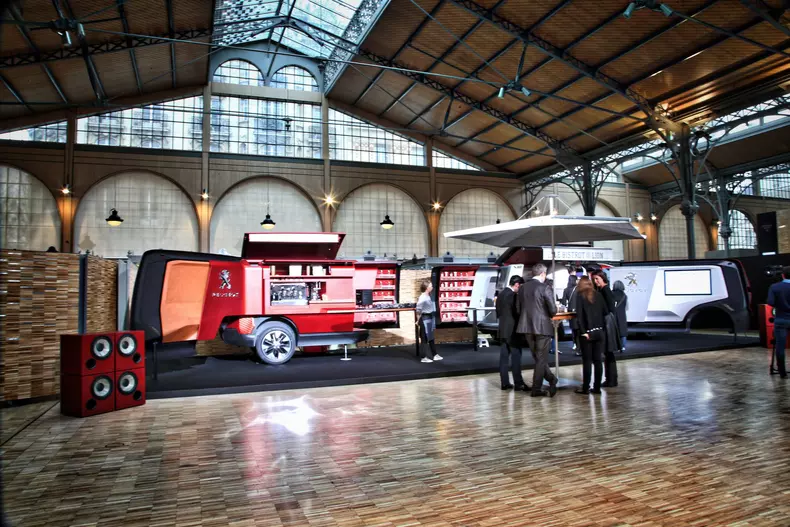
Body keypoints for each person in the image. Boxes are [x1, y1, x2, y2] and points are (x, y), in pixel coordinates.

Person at [516, 263, 558, 397]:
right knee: (540, 358)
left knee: (538, 357)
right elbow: (553, 310)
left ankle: (551, 379)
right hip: (542, 327)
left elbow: (518, 309)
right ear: (543, 274)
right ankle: (537, 388)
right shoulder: (545, 287)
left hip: (526, 326)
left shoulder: (522, 288)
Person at [575, 276, 607, 394]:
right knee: (598, 361)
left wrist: (583, 331)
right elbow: (605, 311)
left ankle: (585, 387)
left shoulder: (580, 296)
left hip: (587, 333)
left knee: (587, 361)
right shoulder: (598, 295)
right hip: (599, 331)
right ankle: (597, 387)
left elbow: (579, 316)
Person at [497, 275, 528, 391]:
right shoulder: (513, 296)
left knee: (504, 358)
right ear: (517, 285)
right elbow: (517, 312)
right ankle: (518, 383)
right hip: (512, 331)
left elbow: (498, 312)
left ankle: (504, 383)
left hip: (502, 329)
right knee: (516, 357)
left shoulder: (500, 294)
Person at [592, 270, 618, 387]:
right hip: (608, 321)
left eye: (597, 279)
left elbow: (610, 307)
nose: (595, 281)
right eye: (594, 279)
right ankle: (611, 378)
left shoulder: (605, 290)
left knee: (608, 351)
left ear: (603, 278)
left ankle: (611, 379)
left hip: (607, 322)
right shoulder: (603, 290)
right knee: (608, 352)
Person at [767, 266, 790, 378]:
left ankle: (782, 372)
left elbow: (770, 302)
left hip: (781, 319)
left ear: (782, 275)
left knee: (780, 347)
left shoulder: (775, 287)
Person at [416, 281, 443, 363]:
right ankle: (423, 357)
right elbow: (418, 310)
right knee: (424, 339)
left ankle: (435, 355)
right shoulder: (422, 297)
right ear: (427, 287)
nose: (432, 287)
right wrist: (418, 320)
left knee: (431, 338)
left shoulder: (428, 296)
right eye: (431, 286)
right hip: (424, 318)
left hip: (429, 317)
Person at [611, 280, 628, 353]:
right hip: (622, 315)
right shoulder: (624, 295)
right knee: (622, 332)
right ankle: (623, 346)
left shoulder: (611, 294)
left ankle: (615, 346)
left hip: (613, 314)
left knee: (614, 331)